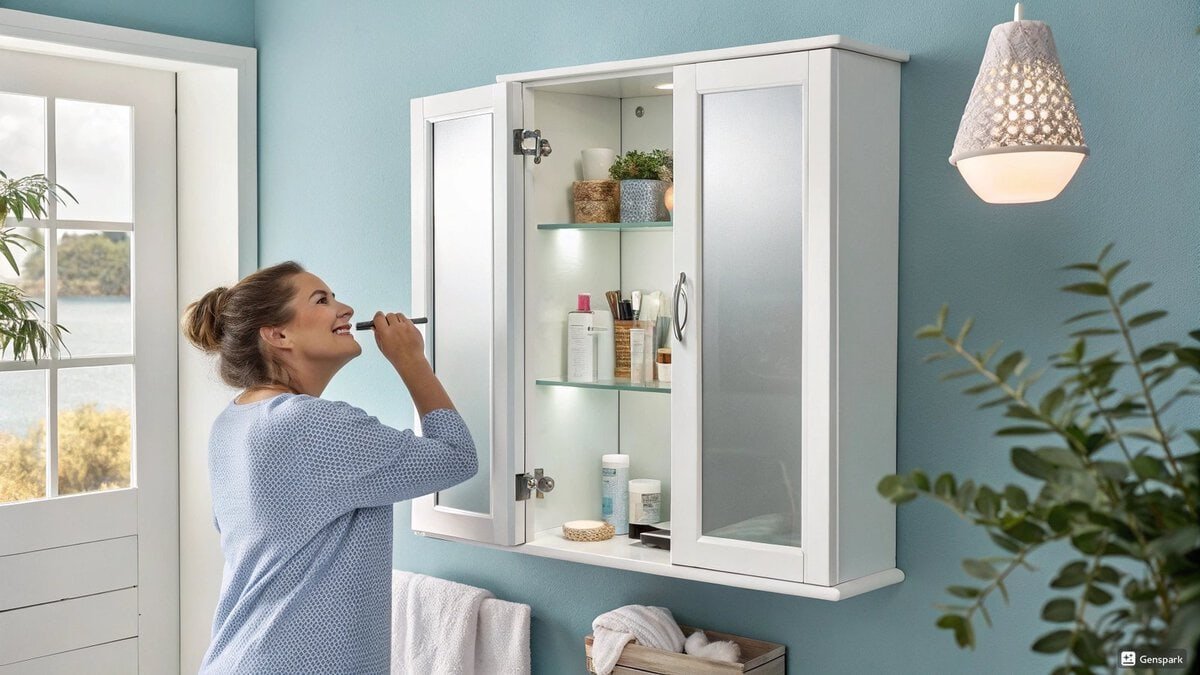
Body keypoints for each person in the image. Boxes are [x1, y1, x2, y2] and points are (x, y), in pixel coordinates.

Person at [180, 261, 477, 674]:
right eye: (322, 300)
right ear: (278, 334)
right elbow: (456, 457)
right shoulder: (308, 423)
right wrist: (410, 360)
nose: (347, 309)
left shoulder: (233, 420)